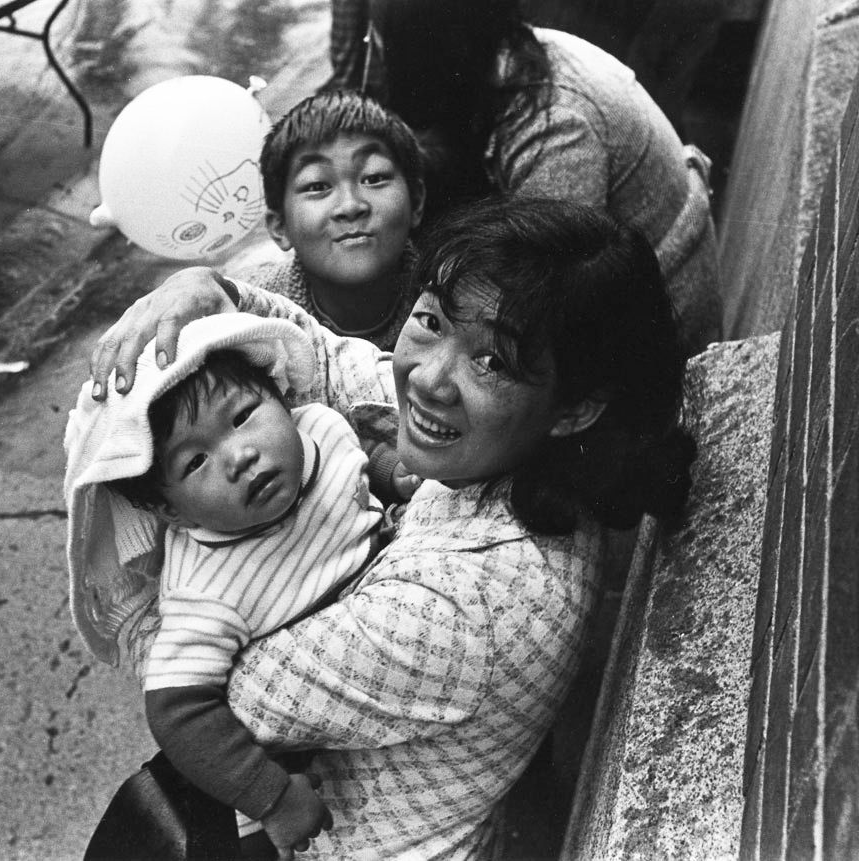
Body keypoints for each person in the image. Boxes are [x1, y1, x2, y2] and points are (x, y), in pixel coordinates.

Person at [84, 197, 696, 858]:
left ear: (575, 408)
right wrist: (213, 294)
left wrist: (168, 569)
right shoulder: (509, 454)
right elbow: (333, 365)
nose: (428, 379)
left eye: (492, 362)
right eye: (430, 320)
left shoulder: (473, 603)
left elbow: (215, 703)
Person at [65, 313, 391, 857]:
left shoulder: (322, 429)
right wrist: (273, 799)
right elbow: (177, 711)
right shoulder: (206, 590)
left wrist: (390, 470)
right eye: (195, 461)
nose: (239, 456)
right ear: (170, 511)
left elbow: (358, 459)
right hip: (299, 769)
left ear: (279, 398)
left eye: (242, 416)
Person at [320, 0, 722, 356]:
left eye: (386, 48)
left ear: (428, 61)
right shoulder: (503, 55)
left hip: (662, 318)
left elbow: (546, 295)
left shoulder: (556, 129)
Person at [248, 88, 425, 354]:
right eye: (318, 185)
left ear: (417, 201)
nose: (350, 206)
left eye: (373, 178)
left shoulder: (454, 303)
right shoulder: (247, 314)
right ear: (279, 227)